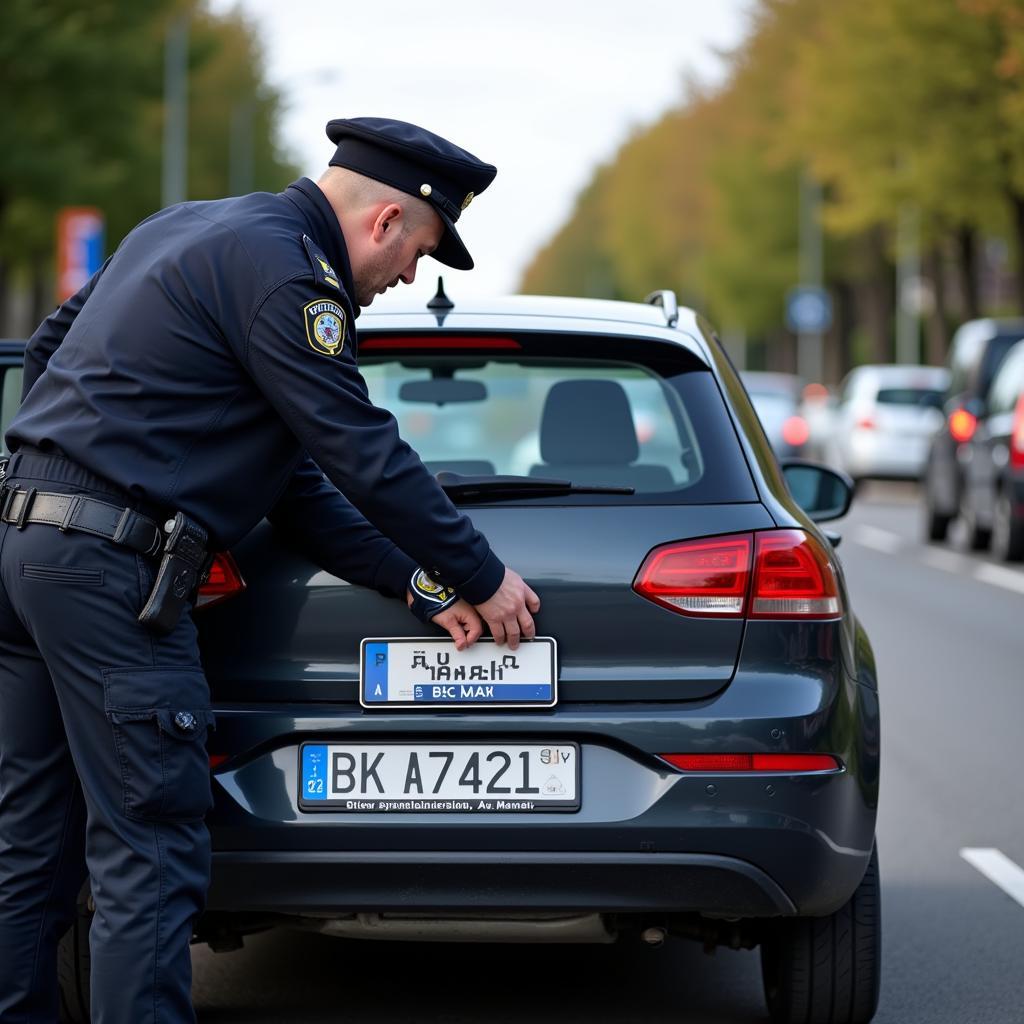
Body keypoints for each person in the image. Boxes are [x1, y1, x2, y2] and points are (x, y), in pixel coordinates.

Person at [0, 117, 540, 1023]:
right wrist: (481, 574)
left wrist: (416, 581)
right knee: (149, 852)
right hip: (110, 577)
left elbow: (56, 350)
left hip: (27, 551)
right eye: (420, 251)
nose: (410, 275)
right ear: (383, 222)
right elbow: (360, 451)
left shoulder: (184, 227)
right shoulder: (293, 279)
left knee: (28, 846)